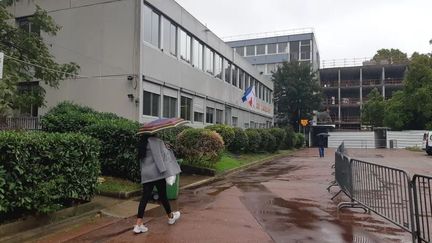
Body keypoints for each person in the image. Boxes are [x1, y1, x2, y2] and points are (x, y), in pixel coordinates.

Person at [133, 134, 182, 234]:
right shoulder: (155, 141)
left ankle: (138, 225)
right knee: (163, 196)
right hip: (157, 173)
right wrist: (164, 171)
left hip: (146, 173)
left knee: (144, 198)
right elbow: (158, 157)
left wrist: (164, 146)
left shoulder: (143, 142)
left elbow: (143, 159)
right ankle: (171, 217)